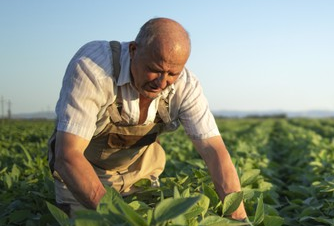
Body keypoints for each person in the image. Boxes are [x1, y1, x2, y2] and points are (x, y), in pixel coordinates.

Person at [47, 17, 247, 220]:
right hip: (84, 175)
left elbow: (214, 152)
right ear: (133, 50)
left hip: (141, 174)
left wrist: (239, 219)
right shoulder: (94, 68)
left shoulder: (186, 85)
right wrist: (119, 219)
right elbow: (68, 155)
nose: (162, 82)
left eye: (172, 73)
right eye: (155, 70)